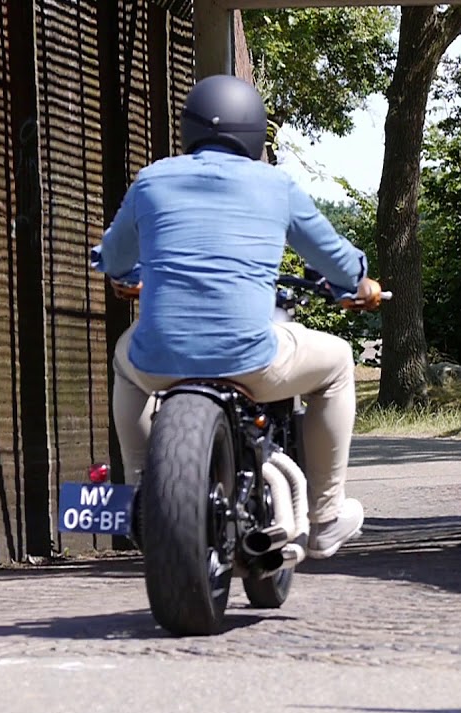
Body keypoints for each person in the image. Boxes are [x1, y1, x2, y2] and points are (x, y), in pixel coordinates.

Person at [93, 74, 381, 560]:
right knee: (337, 363)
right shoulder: (275, 184)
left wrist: (127, 275)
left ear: (189, 130)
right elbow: (336, 260)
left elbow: (114, 258)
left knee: (126, 362)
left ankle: (145, 494)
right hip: (252, 359)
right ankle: (327, 515)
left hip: (160, 357)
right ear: (256, 132)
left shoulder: (151, 180)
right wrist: (362, 284)